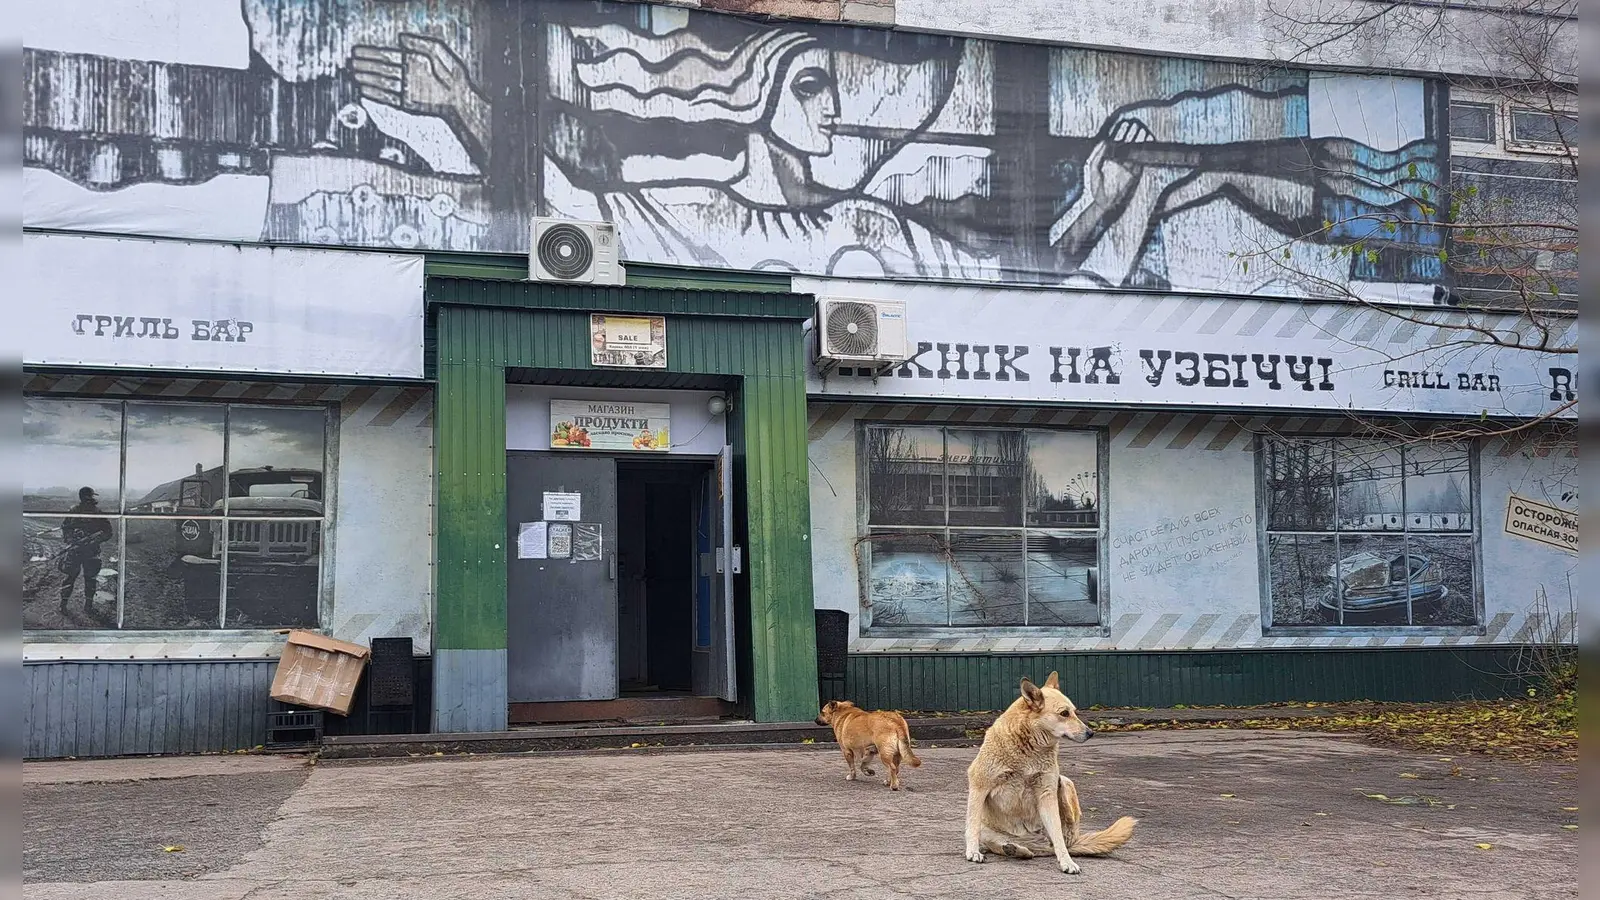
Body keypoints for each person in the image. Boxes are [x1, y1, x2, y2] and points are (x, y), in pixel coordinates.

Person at [60, 487, 114, 614]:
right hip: (78, 550)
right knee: (73, 578)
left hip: (89, 551)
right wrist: (71, 540)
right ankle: (65, 605)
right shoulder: (76, 511)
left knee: (85, 578)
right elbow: (65, 528)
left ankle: (85, 606)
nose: (91, 499)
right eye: (90, 497)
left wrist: (94, 540)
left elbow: (108, 532)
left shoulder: (96, 512)